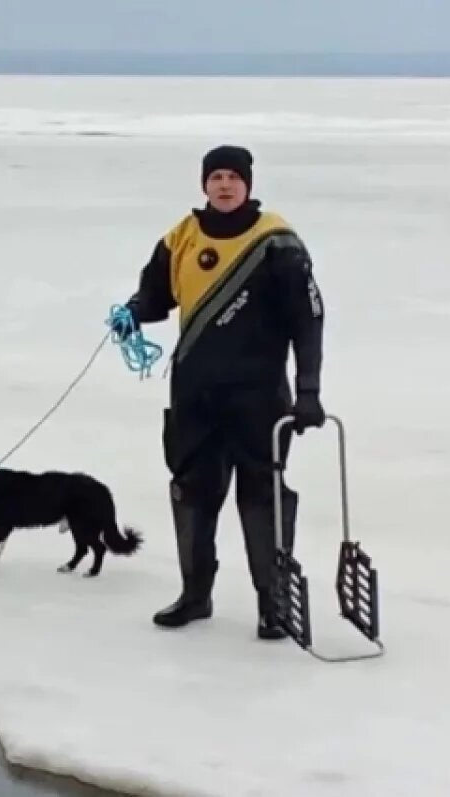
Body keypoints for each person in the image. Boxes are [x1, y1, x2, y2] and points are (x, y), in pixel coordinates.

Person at [111, 144, 326, 637]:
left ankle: (273, 605)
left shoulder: (277, 242)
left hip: (259, 398)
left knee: (262, 497)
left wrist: (308, 390)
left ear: (248, 183)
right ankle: (195, 595)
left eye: (233, 177)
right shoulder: (181, 237)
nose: (224, 185)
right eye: (216, 177)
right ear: (204, 184)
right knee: (192, 494)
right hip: (195, 395)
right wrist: (133, 312)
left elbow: (308, 319)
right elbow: (156, 296)